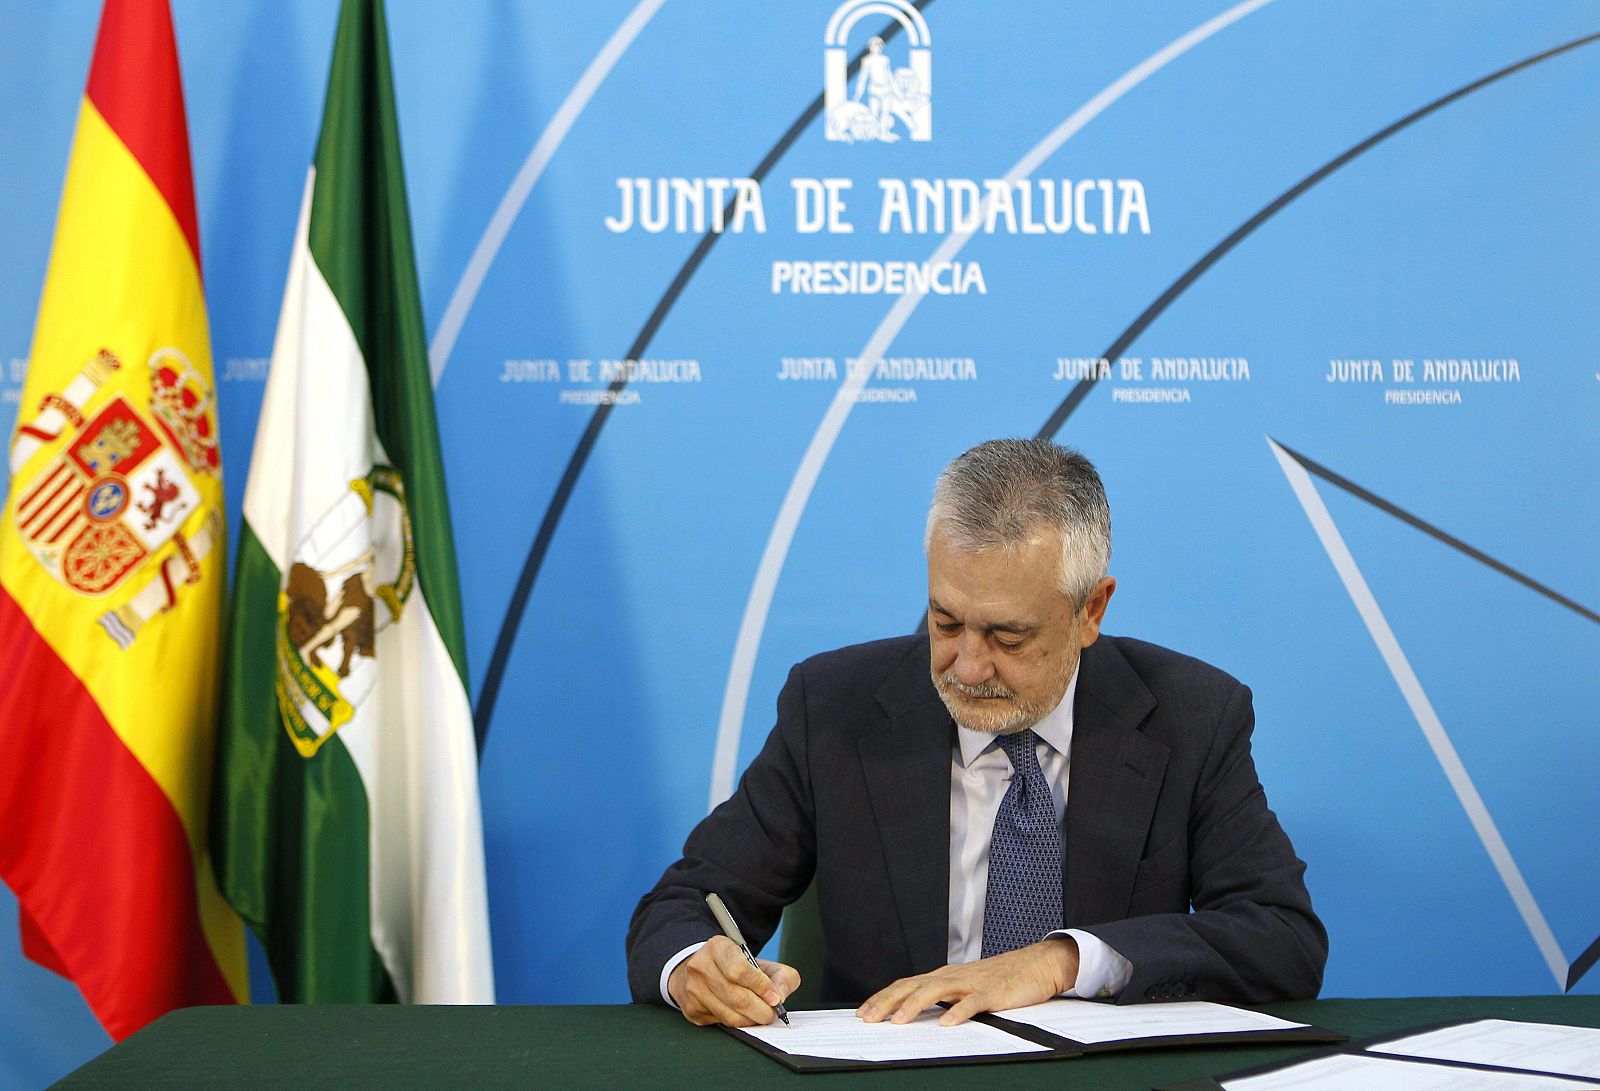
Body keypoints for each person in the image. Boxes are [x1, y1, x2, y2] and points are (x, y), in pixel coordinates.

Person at [626, 439, 1326, 1028]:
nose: (965, 665)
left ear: (1091, 610)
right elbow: (685, 905)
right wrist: (693, 964)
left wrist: (1060, 960)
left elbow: (1283, 938)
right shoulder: (834, 706)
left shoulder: (1192, 715)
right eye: (945, 620)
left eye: (1007, 635)